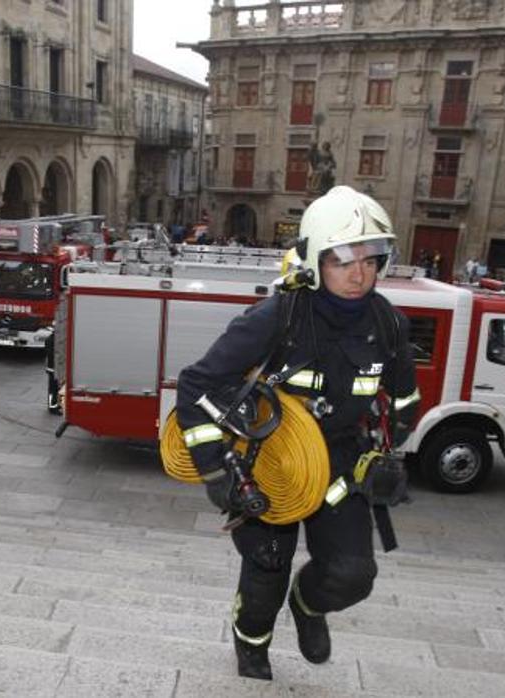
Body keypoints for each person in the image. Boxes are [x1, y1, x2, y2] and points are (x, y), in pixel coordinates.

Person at [175, 186, 419, 680]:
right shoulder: (277, 318)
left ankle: (308, 606)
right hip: (271, 462)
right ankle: (252, 646)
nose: (359, 273)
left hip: (338, 467)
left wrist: (391, 452)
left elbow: (404, 399)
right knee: (266, 565)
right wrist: (214, 470)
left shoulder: (387, 325)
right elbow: (196, 384)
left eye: (371, 259)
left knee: (354, 574)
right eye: (343, 259)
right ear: (314, 259)